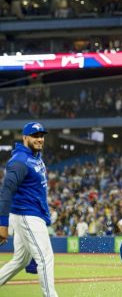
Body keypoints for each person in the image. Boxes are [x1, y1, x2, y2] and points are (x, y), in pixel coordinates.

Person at [0, 122, 58, 297]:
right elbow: (6, 192)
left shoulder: (35, 157)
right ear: (25, 137)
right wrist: (2, 224)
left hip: (32, 214)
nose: (40, 139)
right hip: (26, 215)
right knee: (45, 258)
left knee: (20, 260)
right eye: (35, 136)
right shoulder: (19, 161)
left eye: (41, 136)